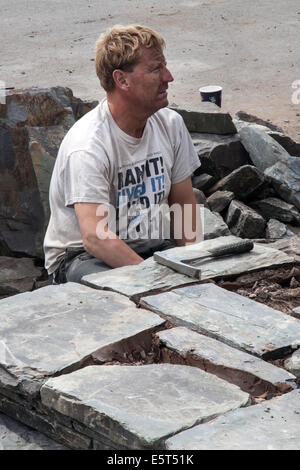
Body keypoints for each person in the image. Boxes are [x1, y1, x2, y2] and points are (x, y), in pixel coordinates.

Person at [44, 24, 202, 284]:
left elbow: (183, 208)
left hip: (149, 245)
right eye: (156, 69)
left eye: (164, 66)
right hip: (82, 257)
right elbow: (95, 237)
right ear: (122, 80)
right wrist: (155, 281)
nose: (168, 77)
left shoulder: (170, 125)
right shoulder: (88, 145)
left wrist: (195, 269)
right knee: (120, 291)